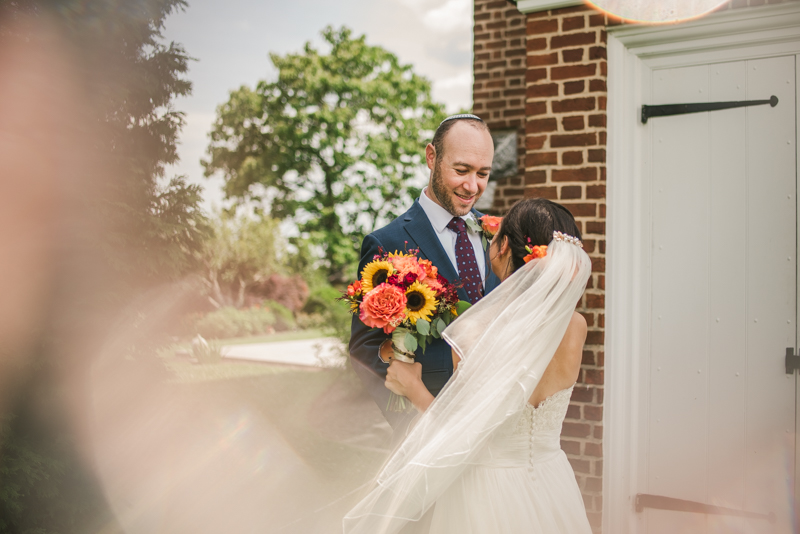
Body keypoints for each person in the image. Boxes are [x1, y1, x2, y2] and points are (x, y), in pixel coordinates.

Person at [344, 198, 594, 534]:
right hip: (552, 480)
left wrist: (412, 388)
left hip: (488, 492)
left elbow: (459, 435)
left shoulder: (477, 330)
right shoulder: (576, 325)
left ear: (503, 246)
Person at [349, 114, 502, 431]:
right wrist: (413, 416)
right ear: (432, 157)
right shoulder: (387, 243)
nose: (472, 186)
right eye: (461, 170)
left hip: (494, 417)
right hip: (426, 424)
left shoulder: (498, 236)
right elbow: (365, 348)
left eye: (482, 173)